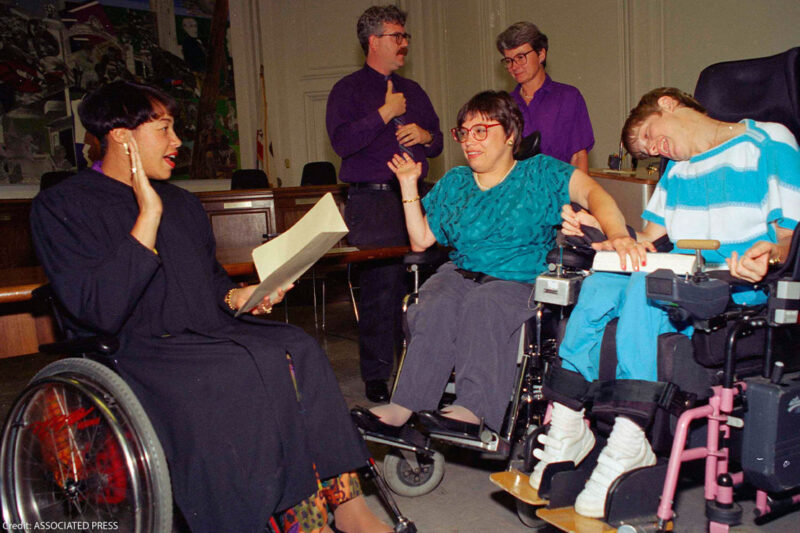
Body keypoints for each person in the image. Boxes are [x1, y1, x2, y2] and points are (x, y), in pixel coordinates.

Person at [30, 80, 391, 533]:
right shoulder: (63, 205)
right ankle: (297, 521)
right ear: (122, 136)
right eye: (164, 128)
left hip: (204, 330)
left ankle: (350, 509)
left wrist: (239, 296)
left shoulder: (183, 203)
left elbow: (211, 282)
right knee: (247, 367)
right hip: (137, 347)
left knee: (298, 345)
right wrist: (147, 215)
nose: (177, 140)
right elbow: (97, 308)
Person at [531, 87, 800, 518]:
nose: (653, 150)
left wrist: (766, 256)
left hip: (737, 289)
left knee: (645, 284)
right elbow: (645, 242)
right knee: (601, 282)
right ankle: (566, 425)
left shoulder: (769, 141)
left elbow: (788, 241)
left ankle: (631, 435)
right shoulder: (676, 172)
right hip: (681, 281)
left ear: (669, 104)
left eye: (650, 137)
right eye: (645, 150)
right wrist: (596, 227)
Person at [351, 90, 644, 439]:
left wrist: (617, 234)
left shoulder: (542, 173)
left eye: (481, 130)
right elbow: (421, 241)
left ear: (509, 135)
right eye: (463, 132)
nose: (469, 141)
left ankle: (473, 408)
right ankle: (405, 404)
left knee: (483, 302)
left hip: (516, 280)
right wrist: (407, 185)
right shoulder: (456, 181)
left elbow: (596, 195)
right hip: (460, 273)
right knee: (435, 300)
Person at [326, 4, 443, 403]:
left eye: (405, 36)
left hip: (415, 198)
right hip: (371, 202)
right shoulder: (347, 90)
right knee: (380, 291)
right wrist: (385, 113)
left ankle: (423, 369)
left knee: (425, 288)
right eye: (398, 36)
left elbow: (440, 140)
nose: (405, 43)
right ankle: (377, 375)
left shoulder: (414, 91)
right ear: (373, 41)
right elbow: (342, 143)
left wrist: (424, 134)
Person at [496, 21, 594, 173]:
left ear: (541, 54)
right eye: (509, 60)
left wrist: (580, 195)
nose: (514, 66)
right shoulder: (503, 105)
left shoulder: (568, 98)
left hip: (557, 193)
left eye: (521, 57)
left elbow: (578, 158)